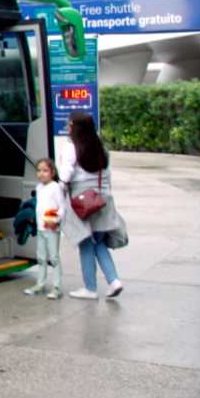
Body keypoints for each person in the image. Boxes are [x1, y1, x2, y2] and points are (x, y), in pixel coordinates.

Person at [59, 110, 128, 300]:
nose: (67, 126)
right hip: (101, 198)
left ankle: (90, 288)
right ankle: (114, 281)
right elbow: (108, 176)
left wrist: (58, 195)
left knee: (86, 244)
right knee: (98, 242)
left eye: (68, 123)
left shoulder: (71, 148)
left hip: (81, 201)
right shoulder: (102, 148)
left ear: (73, 126)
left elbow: (65, 176)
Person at [25, 158, 66, 300]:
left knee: (54, 258)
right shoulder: (39, 187)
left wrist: (53, 220)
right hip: (41, 228)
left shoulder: (55, 187)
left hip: (52, 229)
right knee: (41, 257)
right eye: (39, 170)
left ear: (53, 172)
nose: (41, 174)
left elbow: (62, 207)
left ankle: (57, 287)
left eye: (45, 171)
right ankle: (40, 284)